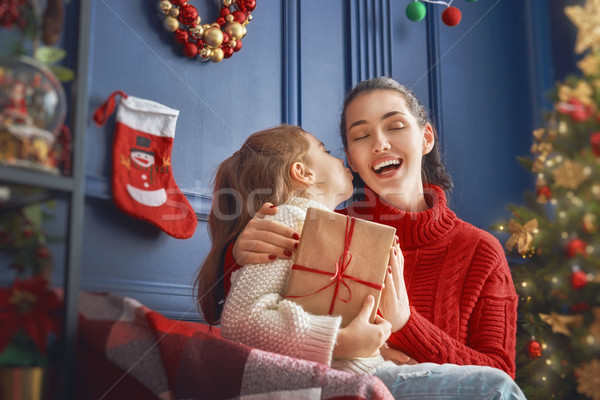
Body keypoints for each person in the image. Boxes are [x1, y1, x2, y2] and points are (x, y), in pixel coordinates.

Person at [197, 122, 526, 399]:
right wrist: (235, 255)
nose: (380, 144)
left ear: (426, 137)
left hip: (371, 378)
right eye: (359, 136)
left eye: (395, 125)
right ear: (303, 172)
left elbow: (497, 369)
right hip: (346, 383)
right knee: (493, 389)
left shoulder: (480, 248)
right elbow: (244, 317)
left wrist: (402, 333)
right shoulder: (291, 222)